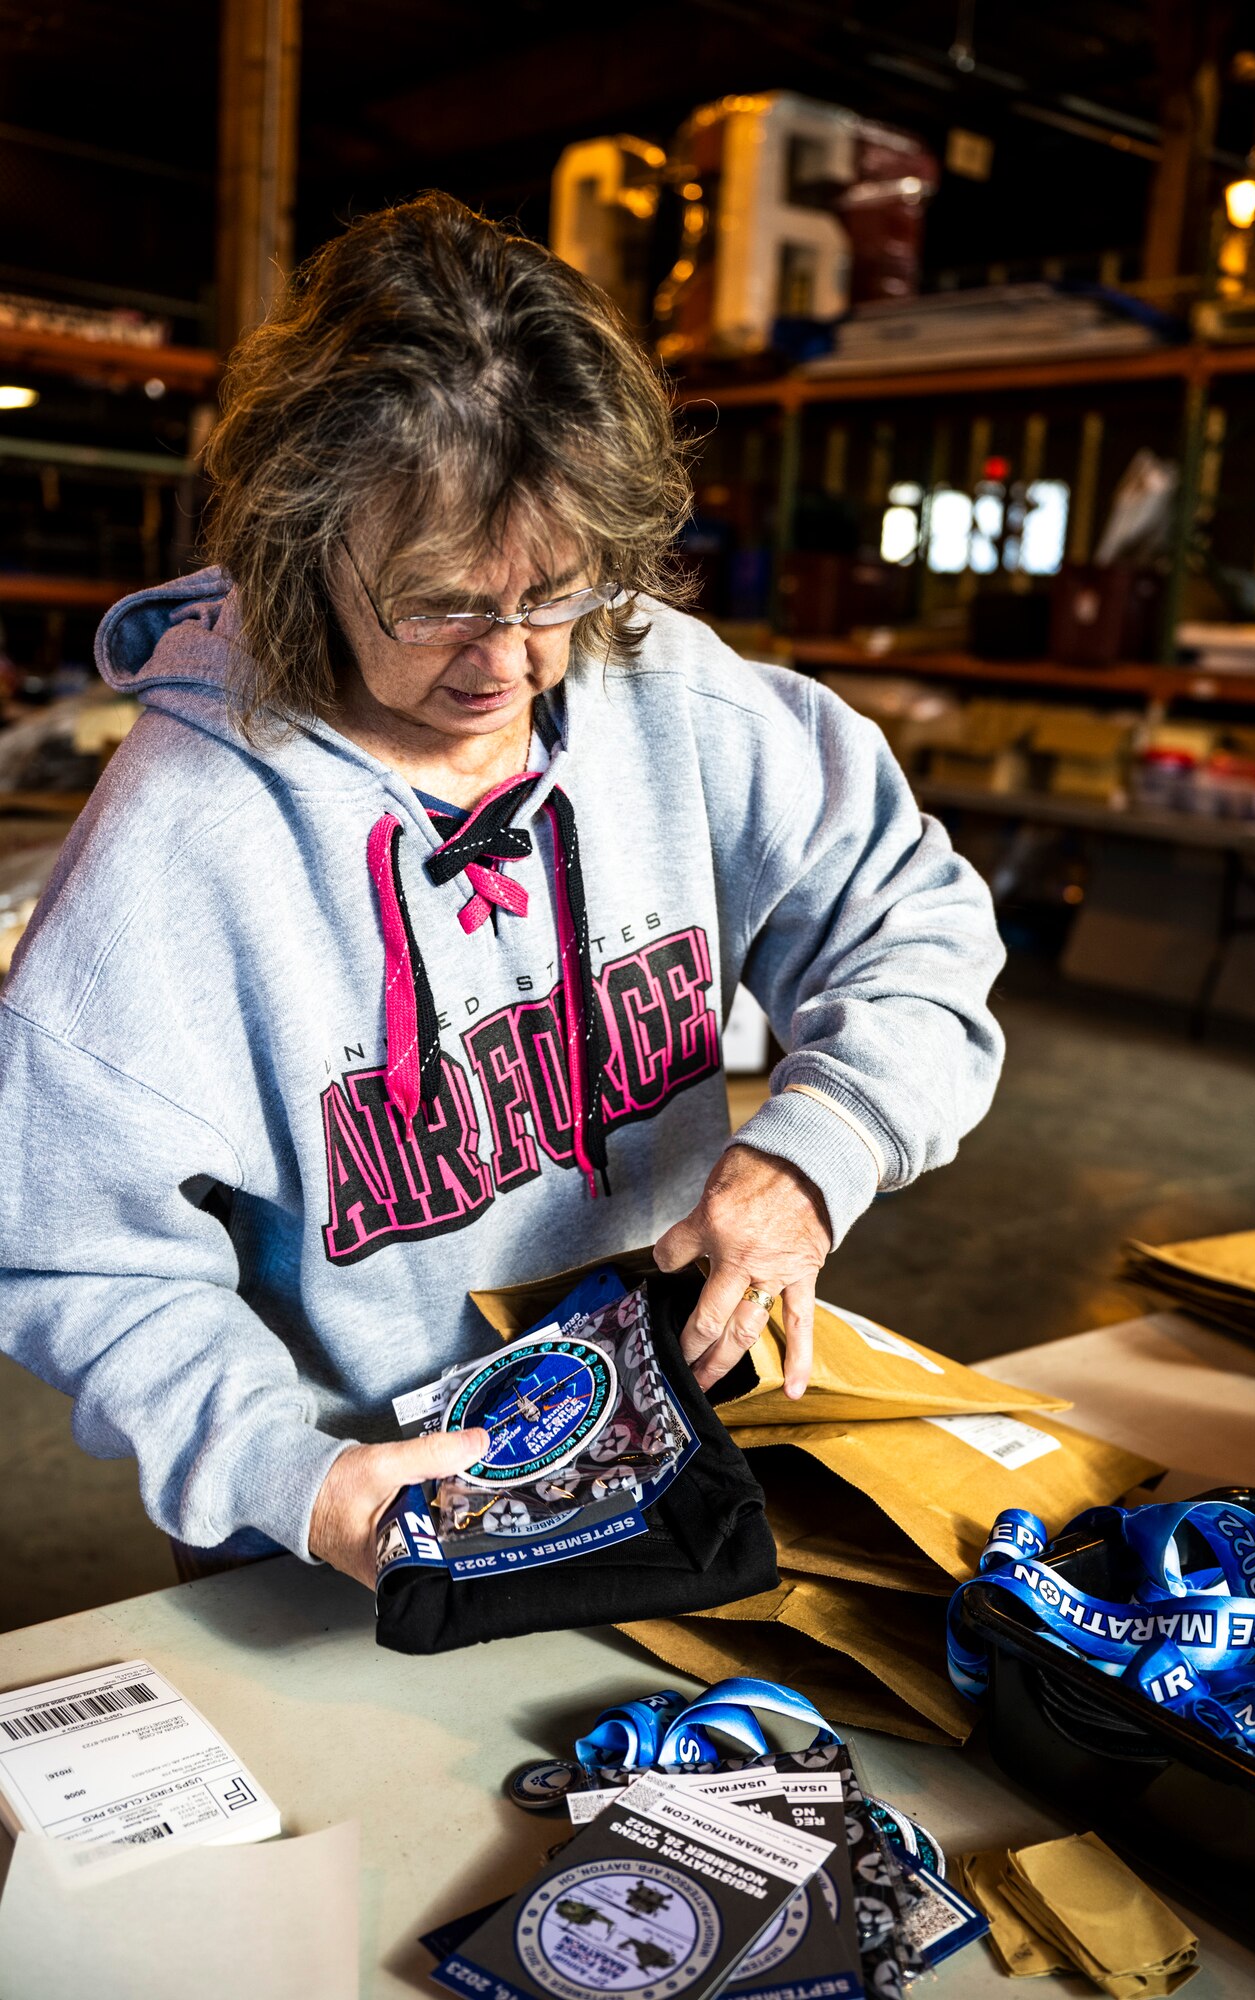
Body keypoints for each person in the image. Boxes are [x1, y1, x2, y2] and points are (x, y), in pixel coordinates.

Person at [0, 192, 1004, 1592]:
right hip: (351, 1533)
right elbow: (81, 1259)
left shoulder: (663, 683)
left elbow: (912, 920)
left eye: (557, 593)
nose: (510, 663)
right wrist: (290, 1476)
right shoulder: (183, 836)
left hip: (669, 1452)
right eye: (438, 602)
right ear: (304, 543)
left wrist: (813, 1150)